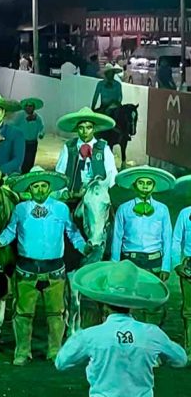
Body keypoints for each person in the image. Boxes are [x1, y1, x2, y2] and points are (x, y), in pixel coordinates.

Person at [0, 167, 88, 366]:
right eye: (35, 186)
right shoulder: (20, 209)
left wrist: (84, 247)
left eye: (43, 186)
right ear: (30, 189)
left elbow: (72, 232)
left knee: (56, 313)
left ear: (49, 188)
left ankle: (55, 350)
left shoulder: (62, 209)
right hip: (26, 269)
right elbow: (11, 231)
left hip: (54, 269)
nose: (39, 189)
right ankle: (22, 351)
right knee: (22, 313)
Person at [56, 260, 187, 395]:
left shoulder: (90, 336)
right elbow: (180, 359)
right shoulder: (152, 334)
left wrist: (79, 336)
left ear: (104, 304)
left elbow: (62, 362)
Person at [111, 165, 176, 325]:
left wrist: (166, 266)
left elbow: (167, 238)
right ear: (134, 185)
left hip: (154, 262)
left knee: (153, 304)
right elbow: (117, 237)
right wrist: (114, 264)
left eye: (149, 183)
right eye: (141, 182)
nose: (145, 186)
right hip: (130, 261)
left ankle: (150, 341)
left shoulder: (162, 210)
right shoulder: (124, 209)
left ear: (154, 186)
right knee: (129, 303)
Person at [55, 107, 118, 202]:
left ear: (94, 129)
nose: (85, 132)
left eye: (89, 127)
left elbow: (111, 172)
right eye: (81, 128)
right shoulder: (69, 147)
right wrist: (63, 191)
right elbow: (60, 171)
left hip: (97, 197)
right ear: (76, 129)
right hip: (72, 195)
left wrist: (106, 191)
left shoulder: (103, 148)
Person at [172, 175, 191, 361]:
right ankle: (190, 346)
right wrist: (176, 263)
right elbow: (177, 239)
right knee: (189, 309)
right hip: (189, 266)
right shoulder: (185, 214)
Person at [10, 98, 45, 174]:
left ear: (34, 107)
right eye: (27, 106)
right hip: (22, 142)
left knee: (30, 160)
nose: (29, 107)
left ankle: (27, 175)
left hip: (33, 143)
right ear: (25, 107)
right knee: (22, 160)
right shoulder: (20, 116)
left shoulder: (37, 118)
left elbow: (42, 128)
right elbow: (12, 125)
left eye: (31, 106)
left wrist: (41, 134)